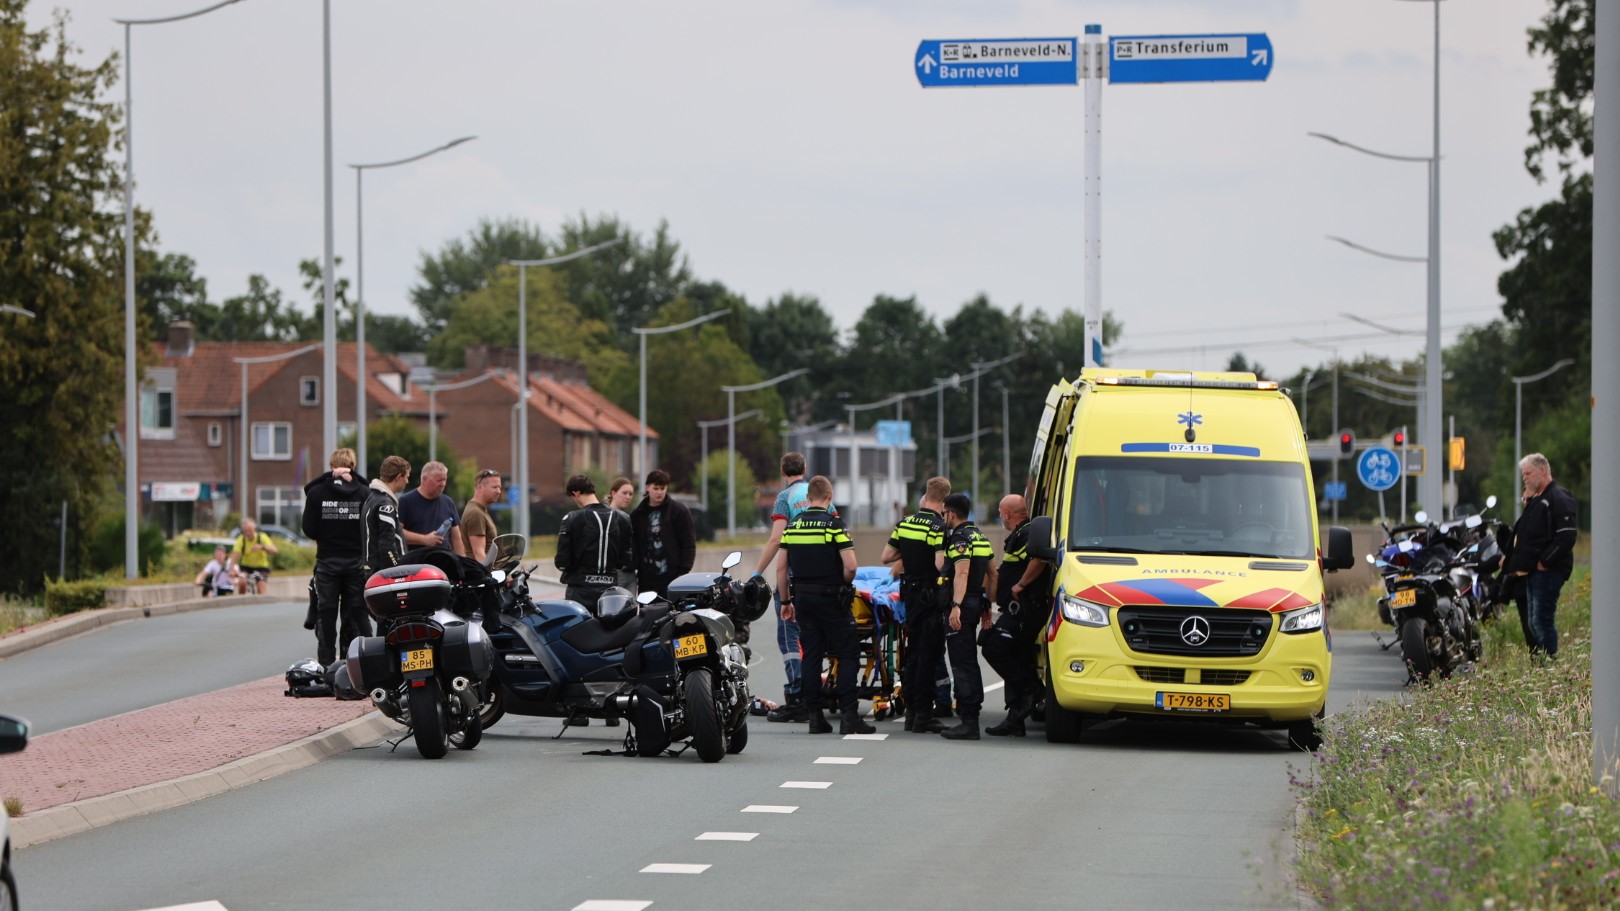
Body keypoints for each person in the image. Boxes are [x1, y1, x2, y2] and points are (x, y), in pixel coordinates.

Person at [777, 476, 874, 735]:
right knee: (847, 652)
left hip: (803, 600)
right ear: (829, 498)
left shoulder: (794, 526)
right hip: (832, 599)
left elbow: (781, 568)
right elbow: (851, 566)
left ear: (808, 499)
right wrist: (843, 583)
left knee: (811, 656)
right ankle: (850, 717)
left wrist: (786, 601)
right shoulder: (834, 526)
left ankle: (815, 717)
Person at [750, 452, 825, 723]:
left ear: (783, 472)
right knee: (814, 636)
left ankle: (797, 694)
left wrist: (756, 573)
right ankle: (816, 693)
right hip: (822, 577)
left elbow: (776, 541)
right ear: (805, 469)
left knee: (789, 636)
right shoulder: (819, 494)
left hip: (794, 575)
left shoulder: (785, 499)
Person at [880, 476, 951, 733]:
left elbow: (886, 556)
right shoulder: (937, 527)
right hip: (930, 597)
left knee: (912, 654)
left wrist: (910, 551)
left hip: (909, 595)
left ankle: (911, 712)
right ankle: (923, 714)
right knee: (929, 654)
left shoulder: (906, 522)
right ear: (943, 501)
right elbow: (939, 564)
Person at [981, 494, 1049, 737]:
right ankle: (1015, 718)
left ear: (1008, 514)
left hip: (1025, 609)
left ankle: (1033, 689)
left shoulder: (1028, 532)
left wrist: (1020, 584)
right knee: (1015, 654)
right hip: (1016, 609)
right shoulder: (1020, 534)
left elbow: (1038, 559)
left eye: (1001, 511)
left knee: (995, 648)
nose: (1000, 516)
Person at [302, 448, 371, 667]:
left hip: (327, 561)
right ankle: (365, 662)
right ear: (353, 466)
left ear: (331, 467)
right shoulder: (363, 492)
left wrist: (326, 478)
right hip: (356, 562)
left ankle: (327, 666)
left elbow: (309, 529)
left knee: (327, 613)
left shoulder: (317, 492)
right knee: (358, 613)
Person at [1508, 453, 1578, 657]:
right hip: (1532, 571)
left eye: (1528, 473)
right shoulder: (1539, 499)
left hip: (1548, 570)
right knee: (1532, 620)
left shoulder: (1558, 497)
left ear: (1543, 471)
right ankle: (1541, 663)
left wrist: (1545, 562)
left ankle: (1551, 662)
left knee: (1542, 619)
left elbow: (1566, 536)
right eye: (1523, 475)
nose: (1525, 478)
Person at [939, 492, 995, 741]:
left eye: (944, 514)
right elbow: (993, 574)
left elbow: (961, 574)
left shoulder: (959, 539)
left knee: (962, 662)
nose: (943, 518)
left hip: (962, 604)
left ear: (951, 513)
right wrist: (988, 605)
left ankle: (968, 721)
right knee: (969, 660)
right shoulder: (980, 536)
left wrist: (956, 605)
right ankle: (970, 713)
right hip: (976, 602)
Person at [555, 474, 637, 613]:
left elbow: (562, 561)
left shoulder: (572, 518)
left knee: (577, 632)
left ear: (576, 493)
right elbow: (625, 560)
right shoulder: (623, 518)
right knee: (610, 632)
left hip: (579, 591)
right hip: (610, 592)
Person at [631, 469, 696, 598]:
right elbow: (634, 546)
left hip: (673, 579)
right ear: (647, 488)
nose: (659, 492)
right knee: (648, 617)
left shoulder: (679, 512)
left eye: (663, 488)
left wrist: (683, 573)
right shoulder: (637, 515)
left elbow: (688, 544)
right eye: (656, 488)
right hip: (646, 581)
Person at [397, 460, 466, 556]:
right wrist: (424, 539)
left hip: (444, 562)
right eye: (439, 480)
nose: (443, 484)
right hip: (416, 563)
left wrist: (463, 564)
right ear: (425, 479)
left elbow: (456, 538)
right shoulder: (405, 501)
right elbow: (397, 532)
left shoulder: (448, 502)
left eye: (444, 480)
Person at [362, 455, 411, 586]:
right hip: (383, 575)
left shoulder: (372, 498)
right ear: (398, 477)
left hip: (373, 570)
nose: (407, 481)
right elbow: (386, 545)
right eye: (407, 477)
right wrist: (397, 571)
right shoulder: (385, 505)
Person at [460, 468, 504, 560]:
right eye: (494, 487)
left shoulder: (480, 510)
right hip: (479, 572)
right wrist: (490, 574)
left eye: (499, 487)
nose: (499, 491)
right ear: (480, 487)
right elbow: (479, 554)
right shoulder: (476, 513)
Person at [231, 518, 277, 594]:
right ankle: (241, 601)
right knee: (242, 582)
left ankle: (261, 602)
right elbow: (235, 554)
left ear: (254, 529)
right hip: (246, 567)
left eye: (249, 530)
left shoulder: (262, 537)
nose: (248, 533)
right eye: (245, 531)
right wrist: (231, 568)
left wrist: (263, 547)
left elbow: (275, 551)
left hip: (261, 567)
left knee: (261, 586)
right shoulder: (241, 539)